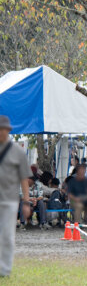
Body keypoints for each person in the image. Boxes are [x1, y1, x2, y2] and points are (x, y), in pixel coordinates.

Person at [0, 116, 31, 277]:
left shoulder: (17, 152)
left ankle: (4, 269)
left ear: (8, 131)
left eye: (3, 129)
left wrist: (26, 202)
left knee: (7, 235)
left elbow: (24, 179)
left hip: (9, 199)